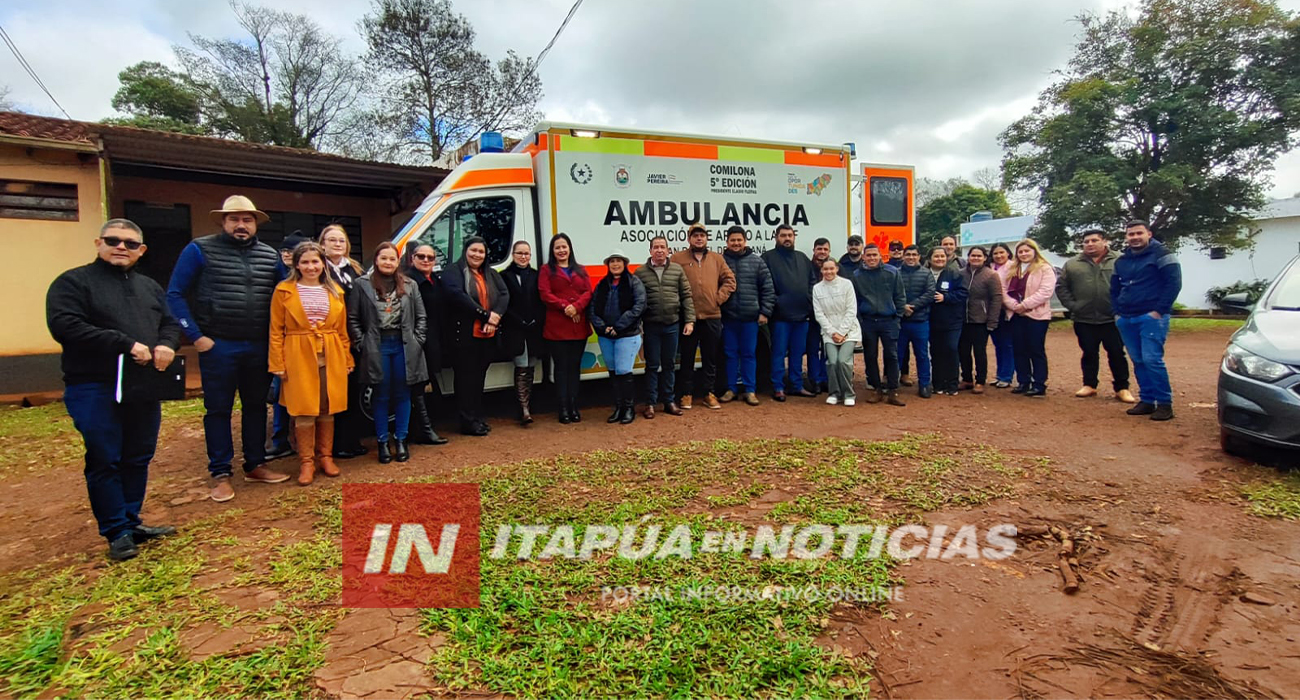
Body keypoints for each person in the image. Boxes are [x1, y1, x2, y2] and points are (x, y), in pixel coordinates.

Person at [47, 219, 180, 561]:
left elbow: (169, 322)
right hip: (94, 384)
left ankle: (131, 520)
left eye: (130, 243)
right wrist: (124, 344)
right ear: (98, 242)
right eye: (113, 240)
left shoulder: (149, 287)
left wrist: (166, 343)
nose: (122, 247)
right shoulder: (73, 283)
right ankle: (116, 530)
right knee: (105, 456)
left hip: (141, 384)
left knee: (138, 455)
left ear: (141, 250)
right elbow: (65, 325)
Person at [168, 195, 287, 503]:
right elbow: (175, 294)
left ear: (255, 223)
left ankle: (255, 464)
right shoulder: (199, 250)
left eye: (247, 220)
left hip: (258, 344)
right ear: (223, 222)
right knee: (218, 409)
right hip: (218, 344)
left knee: (257, 406)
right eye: (234, 219)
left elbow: (287, 294)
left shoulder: (268, 254)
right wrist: (195, 336)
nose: (241, 225)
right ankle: (221, 473)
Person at [269, 242, 354, 485]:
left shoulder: (335, 291)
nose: (310, 266)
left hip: (330, 352)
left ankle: (325, 456)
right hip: (298, 352)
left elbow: (342, 330)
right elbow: (276, 330)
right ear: (296, 264)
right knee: (304, 408)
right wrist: (277, 362)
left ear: (323, 264)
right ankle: (306, 461)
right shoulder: (284, 291)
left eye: (315, 261)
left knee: (327, 407)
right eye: (305, 262)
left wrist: (347, 358)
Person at [350, 242, 428, 460]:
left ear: (398, 261)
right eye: (383, 258)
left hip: (404, 345)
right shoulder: (361, 284)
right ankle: (382, 441)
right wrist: (362, 343)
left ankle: (401, 440)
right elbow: (353, 318)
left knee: (403, 393)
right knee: (381, 395)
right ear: (376, 260)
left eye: (392, 259)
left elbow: (421, 316)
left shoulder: (410, 284)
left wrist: (418, 340)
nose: (388, 262)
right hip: (377, 345)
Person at [1111, 220, 1182, 421]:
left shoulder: (1162, 255)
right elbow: (1114, 288)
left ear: (1148, 234)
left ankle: (1164, 403)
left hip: (1151, 317)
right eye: (1130, 234)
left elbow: (1174, 283)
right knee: (1139, 360)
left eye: (1138, 233)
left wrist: (1159, 310)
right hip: (1126, 317)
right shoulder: (1122, 260)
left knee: (1152, 359)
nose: (1134, 237)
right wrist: (1117, 312)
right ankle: (1147, 400)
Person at [1056, 229, 1136, 404]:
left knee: (1116, 353)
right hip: (1084, 318)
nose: (1090, 244)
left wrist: (1122, 306)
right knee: (1089, 353)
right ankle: (1089, 385)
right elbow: (1061, 287)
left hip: (1112, 317)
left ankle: (1122, 388)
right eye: (1086, 242)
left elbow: (1131, 284)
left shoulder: (1120, 260)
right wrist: (1072, 306)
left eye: (1094, 240)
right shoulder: (1072, 264)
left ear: (1105, 241)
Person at [442, 236, 509, 435]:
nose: (477, 255)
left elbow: (504, 294)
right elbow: (457, 296)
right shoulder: (453, 271)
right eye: (473, 250)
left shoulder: (490, 273)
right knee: (465, 380)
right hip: (464, 336)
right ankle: (467, 421)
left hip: (487, 337)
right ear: (465, 251)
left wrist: (494, 318)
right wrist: (486, 315)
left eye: (481, 251)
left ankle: (477, 417)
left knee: (479, 379)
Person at [671, 223, 736, 410]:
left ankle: (708, 393)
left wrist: (718, 298)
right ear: (689, 238)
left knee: (710, 357)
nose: (699, 238)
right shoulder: (677, 258)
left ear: (707, 238)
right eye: (695, 236)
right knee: (687, 358)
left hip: (712, 316)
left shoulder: (717, 258)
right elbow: (671, 282)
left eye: (702, 235)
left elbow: (730, 281)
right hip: (688, 318)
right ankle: (686, 394)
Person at [319, 224, 369, 458]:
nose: (337, 244)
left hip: (355, 336)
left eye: (341, 240)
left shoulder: (356, 269)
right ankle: (334, 444)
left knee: (354, 389)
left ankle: (351, 440)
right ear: (322, 244)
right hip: (331, 338)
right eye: (332, 240)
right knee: (333, 392)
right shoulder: (319, 270)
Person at [634, 235, 695, 418]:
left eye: (663, 247)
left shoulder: (677, 270)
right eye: (656, 247)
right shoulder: (640, 272)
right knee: (652, 366)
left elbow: (686, 296)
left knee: (669, 365)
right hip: (651, 326)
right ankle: (650, 404)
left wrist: (690, 320)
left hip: (672, 325)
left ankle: (669, 401)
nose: (659, 250)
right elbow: (636, 300)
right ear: (650, 251)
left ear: (669, 250)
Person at [539, 233, 592, 423]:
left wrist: (576, 307)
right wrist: (565, 307)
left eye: (564, 246)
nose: (561, 250)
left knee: (574, 368)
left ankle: (574, 407)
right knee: (561, 369)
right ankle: (562, 409)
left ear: (570, 248)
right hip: (557, 328)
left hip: (578, 326)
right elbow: (545, 294)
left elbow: (587, 292)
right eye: (557, 247)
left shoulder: (580, 269)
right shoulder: (546, 270)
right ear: (552, 251)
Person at [589, 250, 647, 424]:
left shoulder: (634, 283)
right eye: (612, 261)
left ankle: (629, 409)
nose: (615, 264)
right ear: (608, 265)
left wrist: (619, 326)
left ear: (624, 264)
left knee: (624, 372)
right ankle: (618, 408)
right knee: (613, 373)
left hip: (627, 335)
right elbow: (592, 308)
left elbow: (639, 306)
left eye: (618, 261)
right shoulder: (602, 284)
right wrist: (602, 327)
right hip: (606, 336)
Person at [720, 226, 775, 406]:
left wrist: (765, 312)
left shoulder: (757, 262)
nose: (736, 243)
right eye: (732, 240)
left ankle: (750, 390)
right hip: (728, 318)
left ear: (745, 241)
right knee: (730, 354)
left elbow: (768, 288)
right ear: (727, 242)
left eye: (739, 240)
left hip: (751, 318)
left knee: (749, 354)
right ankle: (731, 389)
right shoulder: (720, 261)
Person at [762, 224, 818, 400]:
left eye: (790, 235)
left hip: (802, 316)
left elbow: (812, 282)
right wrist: (777, 302)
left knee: (797, 353)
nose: (787, 238)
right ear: (776, 237)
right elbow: (764, 284)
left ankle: (796, 385)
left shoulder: (802, 258)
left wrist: (808, 300)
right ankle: (778, 387)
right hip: (779, 317)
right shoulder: (767, 258)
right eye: (783, 235)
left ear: (794, 237)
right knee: (778, 353)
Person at [266, 231, 308, 462]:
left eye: (292, 251)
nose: (286, 255)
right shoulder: (276, 276)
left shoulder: (312, 278)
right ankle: (280, 440)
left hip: (310, 346)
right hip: (284, 342)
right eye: (284, 251)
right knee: (280, 393)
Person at [402, 243, 449, 445]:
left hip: (434, 337)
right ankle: (421, 431)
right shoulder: (407, 281)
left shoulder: (436, 280)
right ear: (412, 258)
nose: (426, 260)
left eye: (430, 257)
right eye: (421, 256)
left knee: (427, 384)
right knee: (418, 385)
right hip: (416, 339)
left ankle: (423, 429)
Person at [1000, 239, 1058, 398]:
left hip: (1036, 315)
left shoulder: (1045, 268)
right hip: (1015, 315)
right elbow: (1003, 290)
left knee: (1035, 349)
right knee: (1019, 349)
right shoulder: (1012, 269)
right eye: (1021, 252)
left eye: (1027, 251)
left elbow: (1046, 291)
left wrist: (1025, 305)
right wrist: (1013, 305)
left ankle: (1039, 383)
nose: (1024, 254)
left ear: (1034, 251)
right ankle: (1023, 381)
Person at [851, 244, 907, 406]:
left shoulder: (892, 272)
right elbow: (855, 300)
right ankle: (876, 389)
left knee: (892, 355)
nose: (872, 258)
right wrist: (860, 320)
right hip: (868, 321)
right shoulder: (857, 276)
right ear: (863, 257)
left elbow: (900, 296)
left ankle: (892, 390)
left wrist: (897, 317)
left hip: (889, 320)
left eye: (874, 255)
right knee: (870, 356)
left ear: (880, 256)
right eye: (868, 255)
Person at [500, 241, 544, 426]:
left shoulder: (537, 275)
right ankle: (523, 409)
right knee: (521, 365)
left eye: (527, 253)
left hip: (534, 330)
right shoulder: (504, 276)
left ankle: (527, 405)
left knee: (531, 366)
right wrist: (518, 320)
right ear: (513, 254)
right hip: (515, 329)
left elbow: (541, 301)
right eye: (520, 253)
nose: (523, 256)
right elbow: (504, 303)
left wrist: (536, 319)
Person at [812, 258, 862, 406]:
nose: (828, 272)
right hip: (829, 333)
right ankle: (834, 393)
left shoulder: (847, 285)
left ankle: (848, 394)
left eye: (831, 269)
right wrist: (832, 332)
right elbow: (819, 313)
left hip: (849, 331)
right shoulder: (817, 288)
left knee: (843, 361)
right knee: (832, 362)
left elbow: (851, 310)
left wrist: (842, 332)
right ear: (821, 271)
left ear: (837, 269)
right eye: (825, 269)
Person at [958, 246, 1003, 394]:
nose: (975, 258)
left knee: (979, 352)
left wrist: (992, 321)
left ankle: (980, 380)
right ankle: (967, 378)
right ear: (968, 257)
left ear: (984, 258)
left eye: (979, 256)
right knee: (963, 351)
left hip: (981, 321)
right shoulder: (960, 274)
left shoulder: (991, 275)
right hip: (962, 320)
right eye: (973, 255)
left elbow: (996, 299)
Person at [927, 247, 969, 396]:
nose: (939, 259)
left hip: (952, 320)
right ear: (930, 259)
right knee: (936, 351)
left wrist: (947, 298)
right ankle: (938, 383)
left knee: (951, 349)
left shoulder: (954, 274)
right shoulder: (925, 274)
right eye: (936, 256)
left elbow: (963, 293)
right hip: (932, 320)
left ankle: (952, 384)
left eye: (942, 257)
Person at [896, 244, 936, 397]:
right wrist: (902, 307)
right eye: (908, 254)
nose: (911, 257)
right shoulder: (896, 273)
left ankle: (925, 384)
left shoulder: (926, 274)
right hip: (900, 321)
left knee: (922, 355)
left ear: (919, 257)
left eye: (914, 254)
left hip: (920, 321)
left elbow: (930, 293)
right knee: (897, 354)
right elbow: (892, 293)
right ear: (903, 256)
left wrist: (912, 306)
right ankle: (893, 385)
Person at [805, 237, 832, 394]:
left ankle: (825, 379)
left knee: (828, 349)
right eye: (819, 249)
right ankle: (814, 380)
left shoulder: (836, 267)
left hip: (830, 317)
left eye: (825, 249)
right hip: (812, 316)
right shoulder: (807, 267)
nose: (822, 252)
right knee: (813, 349)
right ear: (814, 250)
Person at [988, 242, 1017, 388]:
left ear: (1008, 253)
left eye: (1001, 252)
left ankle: (1007, 376)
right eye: (995, 253)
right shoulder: (990, 268)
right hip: (993, 312)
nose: (999, 256)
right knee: (998, 344)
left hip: (1008, 311)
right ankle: (1000, 374)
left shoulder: (1014, 268)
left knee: (1007, 344)